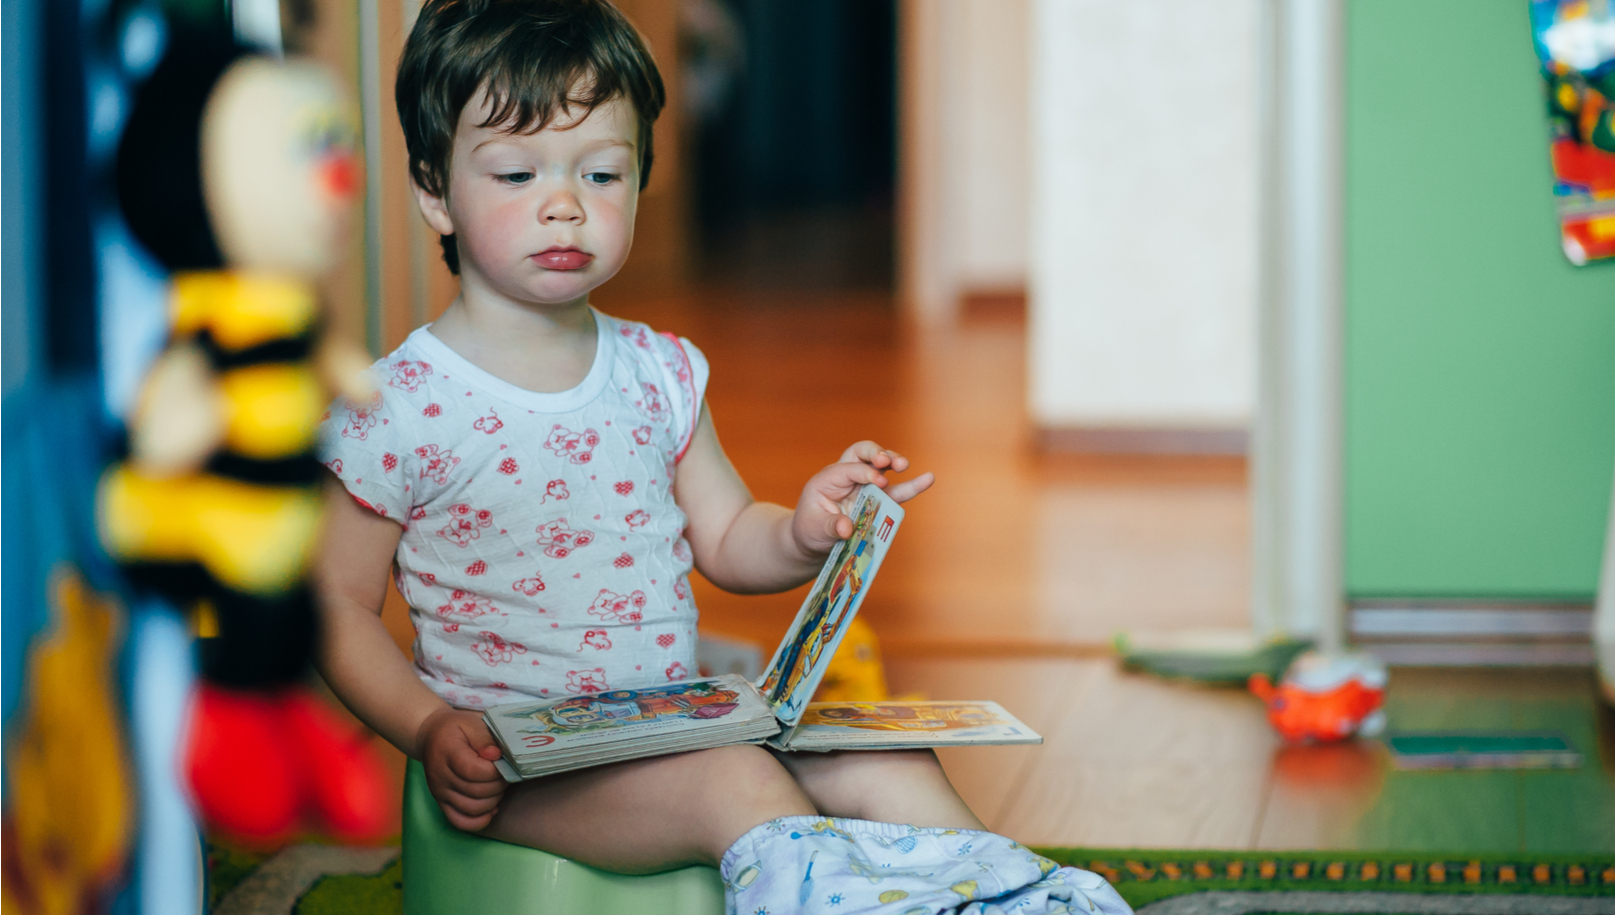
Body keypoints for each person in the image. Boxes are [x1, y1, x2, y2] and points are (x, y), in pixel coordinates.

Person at [314, 1, 1129, 912]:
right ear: (434, 189)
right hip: (520, 764)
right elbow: (338, 607)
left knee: (888, 758)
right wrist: (429, 728)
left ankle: (1019, 900)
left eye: (602, 173)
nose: (564, 203)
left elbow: (733, 537)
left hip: (675, 722)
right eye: (515, 172)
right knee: (733, 783)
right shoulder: (397, 405)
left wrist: (808, 526)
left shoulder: (658, 372)